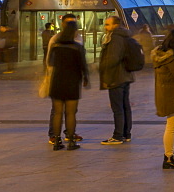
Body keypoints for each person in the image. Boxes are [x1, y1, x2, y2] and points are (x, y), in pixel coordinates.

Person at [45, 22, 89, 150]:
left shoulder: (55, 46)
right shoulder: (77, 47)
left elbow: (49, 62)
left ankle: (57, 141)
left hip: (57, 81)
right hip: (72, 81)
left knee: (57, 112)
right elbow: (83, 65)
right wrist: (85, 78)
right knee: (70, 113)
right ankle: (71, 141)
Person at [152, 29, 174, 169]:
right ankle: (168, 157)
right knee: (172, 127)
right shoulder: (171, 58)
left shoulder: (161, 55)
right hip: (173, 95)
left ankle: (171, 153)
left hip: (167, 94)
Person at [98, 15, 137, 145]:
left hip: (116, 77)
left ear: (115, 25)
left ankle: (118, 135)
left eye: (108, 24)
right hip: (125, 76)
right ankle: (126, 134)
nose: (105, 27)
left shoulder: (115, 38)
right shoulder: (126, 36)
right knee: (125, 106)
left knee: (118, 108)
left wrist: (101, 67)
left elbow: (113, 58)